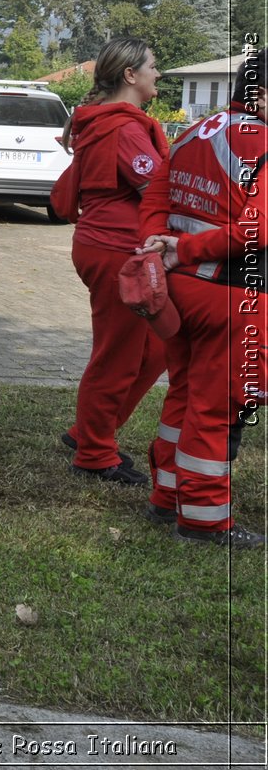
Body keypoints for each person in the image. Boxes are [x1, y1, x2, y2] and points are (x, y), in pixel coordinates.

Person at [139, 47, 265, 548]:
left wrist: (158, 246)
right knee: (219, 407)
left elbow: (155, 196)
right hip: (233, 297)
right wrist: (187, 247)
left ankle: (166, 496)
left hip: (182, 289)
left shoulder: (196, 130)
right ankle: (206, 520)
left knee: (185, 394)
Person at [60, 37, 167, 484]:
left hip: (118, 246)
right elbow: (157, 191)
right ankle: (95, 453)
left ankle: (89, 432)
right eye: (153, 66)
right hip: (117, 251)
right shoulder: (123, 128)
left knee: (159, 347)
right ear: (130, 75)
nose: (157, 74)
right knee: (117, 355)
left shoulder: (114, 122)